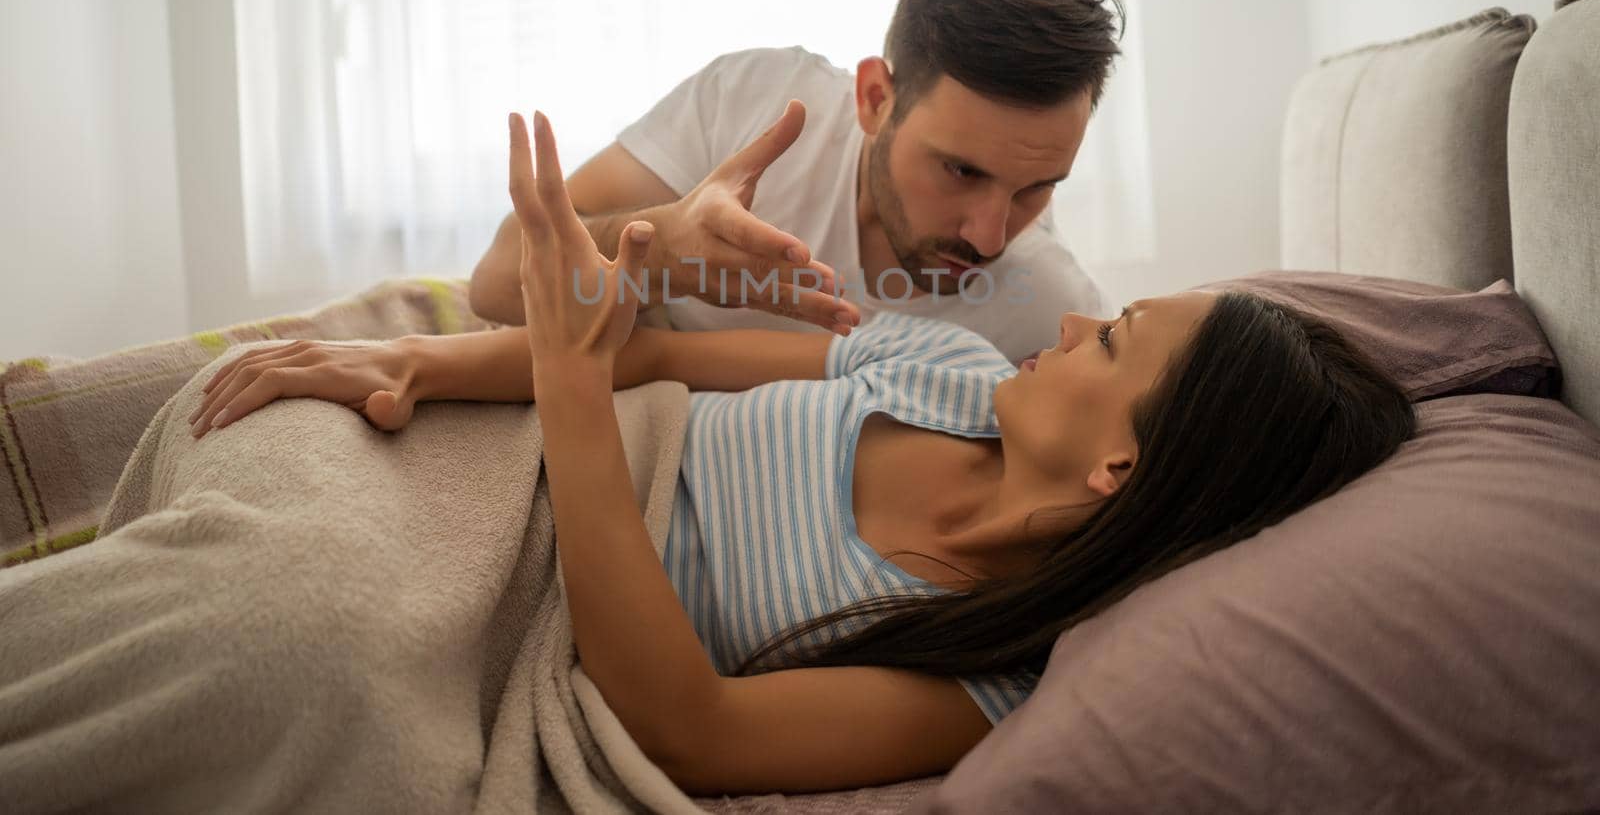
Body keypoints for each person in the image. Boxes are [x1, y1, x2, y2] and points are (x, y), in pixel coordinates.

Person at [185, 111, 1416, 795]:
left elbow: (690, 729)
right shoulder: (952, 370)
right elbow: (656, 365)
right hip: (493, 450)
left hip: (528, 594)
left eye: (1119, 343)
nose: (1082, 321)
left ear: (1120, 471)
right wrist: (410, 365)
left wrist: (566, 379)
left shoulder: (985, 679)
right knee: (245, 423)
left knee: (285, 641)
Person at [467, 0, 1123, 365]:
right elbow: (497, 281)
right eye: (960, 170)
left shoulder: (1051, 314)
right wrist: (660, 253)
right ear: (874, 98)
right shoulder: (757, 104)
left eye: (1037, 186)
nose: (989, 235)